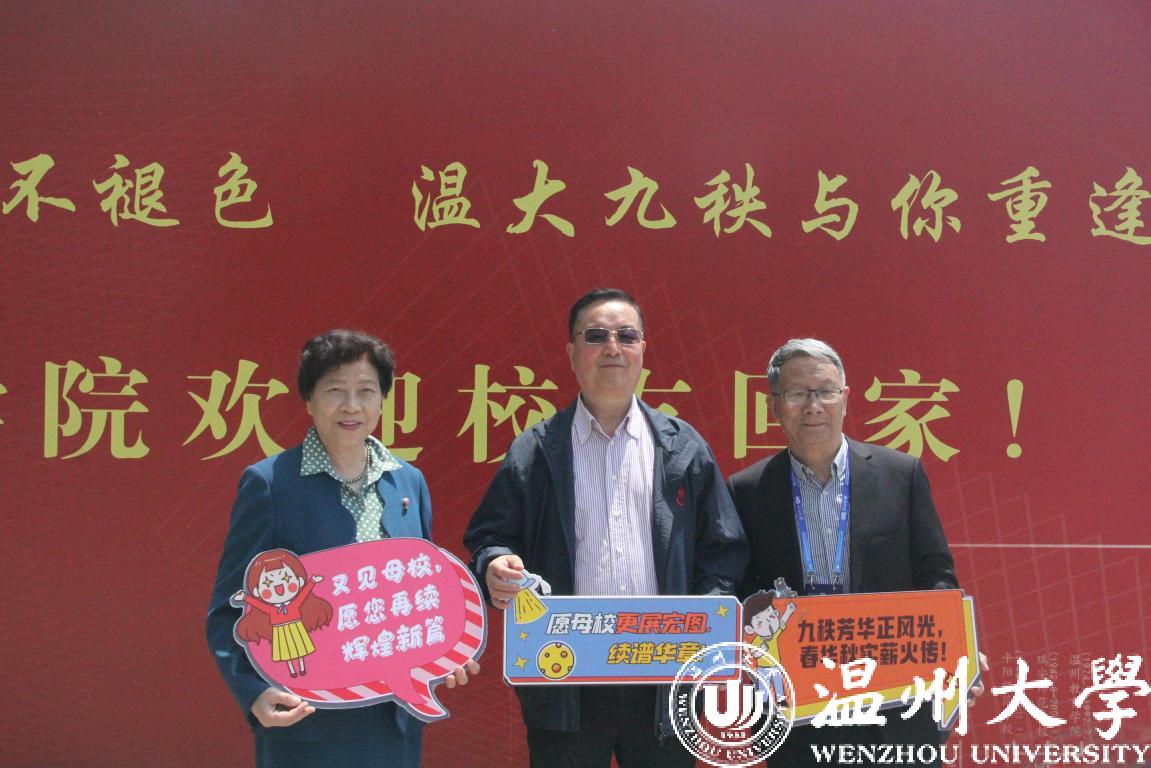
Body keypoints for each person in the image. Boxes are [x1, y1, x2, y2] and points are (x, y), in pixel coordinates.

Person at [464, 288, 748, 768]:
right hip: (566, 678)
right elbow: (489, 539)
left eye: (626, 336)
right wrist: (494, 564)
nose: (612, 348)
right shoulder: (537, 449)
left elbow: (724, 549)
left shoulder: (682, 447)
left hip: (664, 681)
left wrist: (703, 622)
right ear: (572, 353)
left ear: (643, 350)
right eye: (596, 336)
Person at [206, 329, 478, 768]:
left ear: (383, 400)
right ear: (309, 401)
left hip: (392, 720)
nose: (352, 406)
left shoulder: (407, 482)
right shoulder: (271, 483)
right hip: (306, 720)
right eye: (335, 391)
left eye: (366, 391)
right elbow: (228, 611)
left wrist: (444, 652)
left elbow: (423, 593)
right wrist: (254, 693)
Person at [727, 338, 982, 767]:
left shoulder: (900, 475)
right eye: (796, 393)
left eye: (826, 391)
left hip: (897, 701)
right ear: (774, 406)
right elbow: (742, 592)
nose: (813, 406)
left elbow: (935, 575)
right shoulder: (747, 491)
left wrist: (957, 647)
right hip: (799, 709)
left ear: (845, 398)